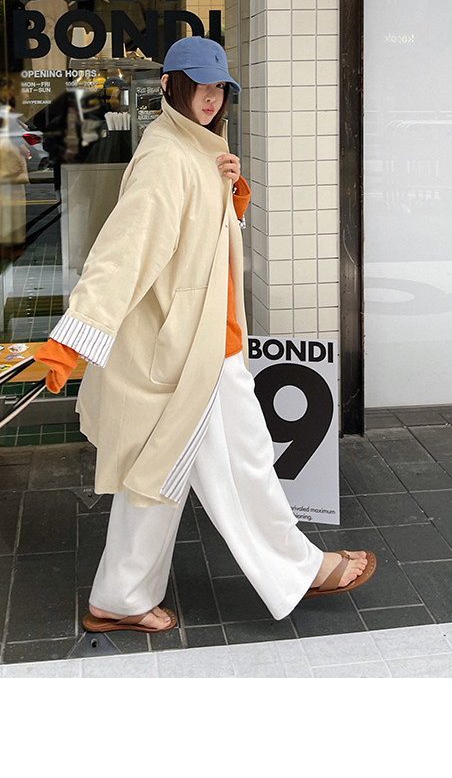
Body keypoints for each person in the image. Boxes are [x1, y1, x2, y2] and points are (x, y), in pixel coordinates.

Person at [33, 36, 376, 633]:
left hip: (201, 344)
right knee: (244, 466)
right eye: (200, 86)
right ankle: (301, 570)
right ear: (170, 86)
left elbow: (196, 246)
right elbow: (124, 253)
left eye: (219, 88)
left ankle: (120, 597)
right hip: (194, 352)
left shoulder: (193, 148)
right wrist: (74, 336)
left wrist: (231, 199)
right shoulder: (169, 156)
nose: (211, 98)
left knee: (157, 472)